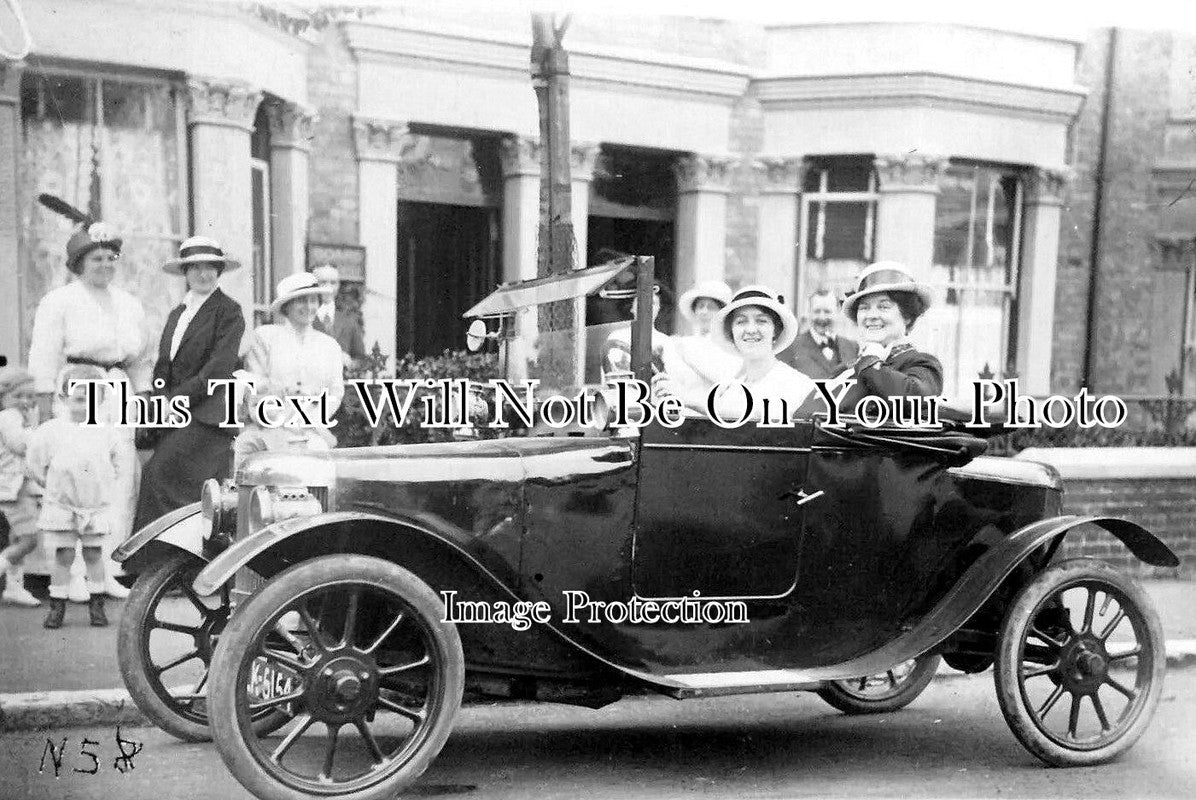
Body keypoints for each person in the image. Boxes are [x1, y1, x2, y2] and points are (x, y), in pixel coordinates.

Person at [27, 196, 148, 599]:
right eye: (96, 258)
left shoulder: (129, 304)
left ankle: (107, 566)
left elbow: (140, 358)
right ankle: (74, 572)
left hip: (118, 389)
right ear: (79, 263)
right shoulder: (59, 301)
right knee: (80, 472)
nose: (105, 265)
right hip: (79, 387)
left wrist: (143, 401)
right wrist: (46, 409)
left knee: (119, 474)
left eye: (111, 257)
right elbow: (43, 356)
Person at [132, 236, 245, 532]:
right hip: (175, 414)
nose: (203, 274)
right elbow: (163, 365)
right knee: (159, 481)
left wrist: (177, 400)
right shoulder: (178, 313)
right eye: (195, 268)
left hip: (208, 417)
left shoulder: (229, 311)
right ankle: (156, 569)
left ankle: (164, 565)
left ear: (219, 271)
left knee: (159, 476)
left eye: (210, 267)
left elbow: (218, 369)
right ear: (185, 273)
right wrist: (160, 399)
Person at [27, 365, 134, 628]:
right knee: (63, 555)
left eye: (92, 400)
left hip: (94, 506)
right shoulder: (52, 431)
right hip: (63, 505)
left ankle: (96, 605)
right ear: (63, 399)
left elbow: (120, 463)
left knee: (94, 554)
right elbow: (35, 462)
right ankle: (57, 606)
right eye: (78, 399)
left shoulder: (106, 432)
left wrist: (106, 487)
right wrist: (48, 485)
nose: (84, 406)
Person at [655, 285, 815, 423]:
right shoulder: (732, 388)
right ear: (731, 332)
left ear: (776, 330)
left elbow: (750, 412)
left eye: (761, 321)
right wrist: (669, 394)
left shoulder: (795, 383)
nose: (751, 330)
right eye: (741, 321)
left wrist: (686, 397)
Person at [235, 272, 345, 468]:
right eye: (301, 301)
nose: (309, 307)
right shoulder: (265, 337)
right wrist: (280, 420)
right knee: (258, 456)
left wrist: (309, 420)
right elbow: (255, 385)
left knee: (318, 464)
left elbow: (335, 393)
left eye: (313, 301)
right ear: (287, 305)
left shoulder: (329, 346)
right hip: (268, 427)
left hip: (311, 429)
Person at [835, 261, 943, 414]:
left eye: (884, 307)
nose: (871, 316)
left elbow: (912, 399)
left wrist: (871, 362)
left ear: (907, 316)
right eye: (864, 308)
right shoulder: (844, 369)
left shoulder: (922, 364)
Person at [0, 367, 42, 607]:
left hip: (16, 486)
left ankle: (14, 587)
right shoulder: (9, 417)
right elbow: (19, 445)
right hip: (13, 488)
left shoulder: (15, 417)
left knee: (17, 537)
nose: (25, 401)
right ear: (4, 396)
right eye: (19, 396)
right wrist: (34, 429)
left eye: (30, 396)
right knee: (29, 540)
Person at [667, 280, 740, 396]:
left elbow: (726, 382)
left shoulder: (731, 345)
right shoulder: (685, 343)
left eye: (711, 307)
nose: (704, 312)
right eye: (700, 306)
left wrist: (688, 356)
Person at [778, 288, 859, 380]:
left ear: (837, 311)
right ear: (809, 312)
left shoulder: (853, 347)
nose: (822, 317)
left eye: (827, 311)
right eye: (817, 311)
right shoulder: (789, 348)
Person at [311, 264, 366, 367]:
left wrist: (350, 363)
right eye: (322, 282)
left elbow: (361, 359)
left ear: (338, 285)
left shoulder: (349, 319)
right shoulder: (305, 318)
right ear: (312, 285)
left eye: (333, 283)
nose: (328, 287)